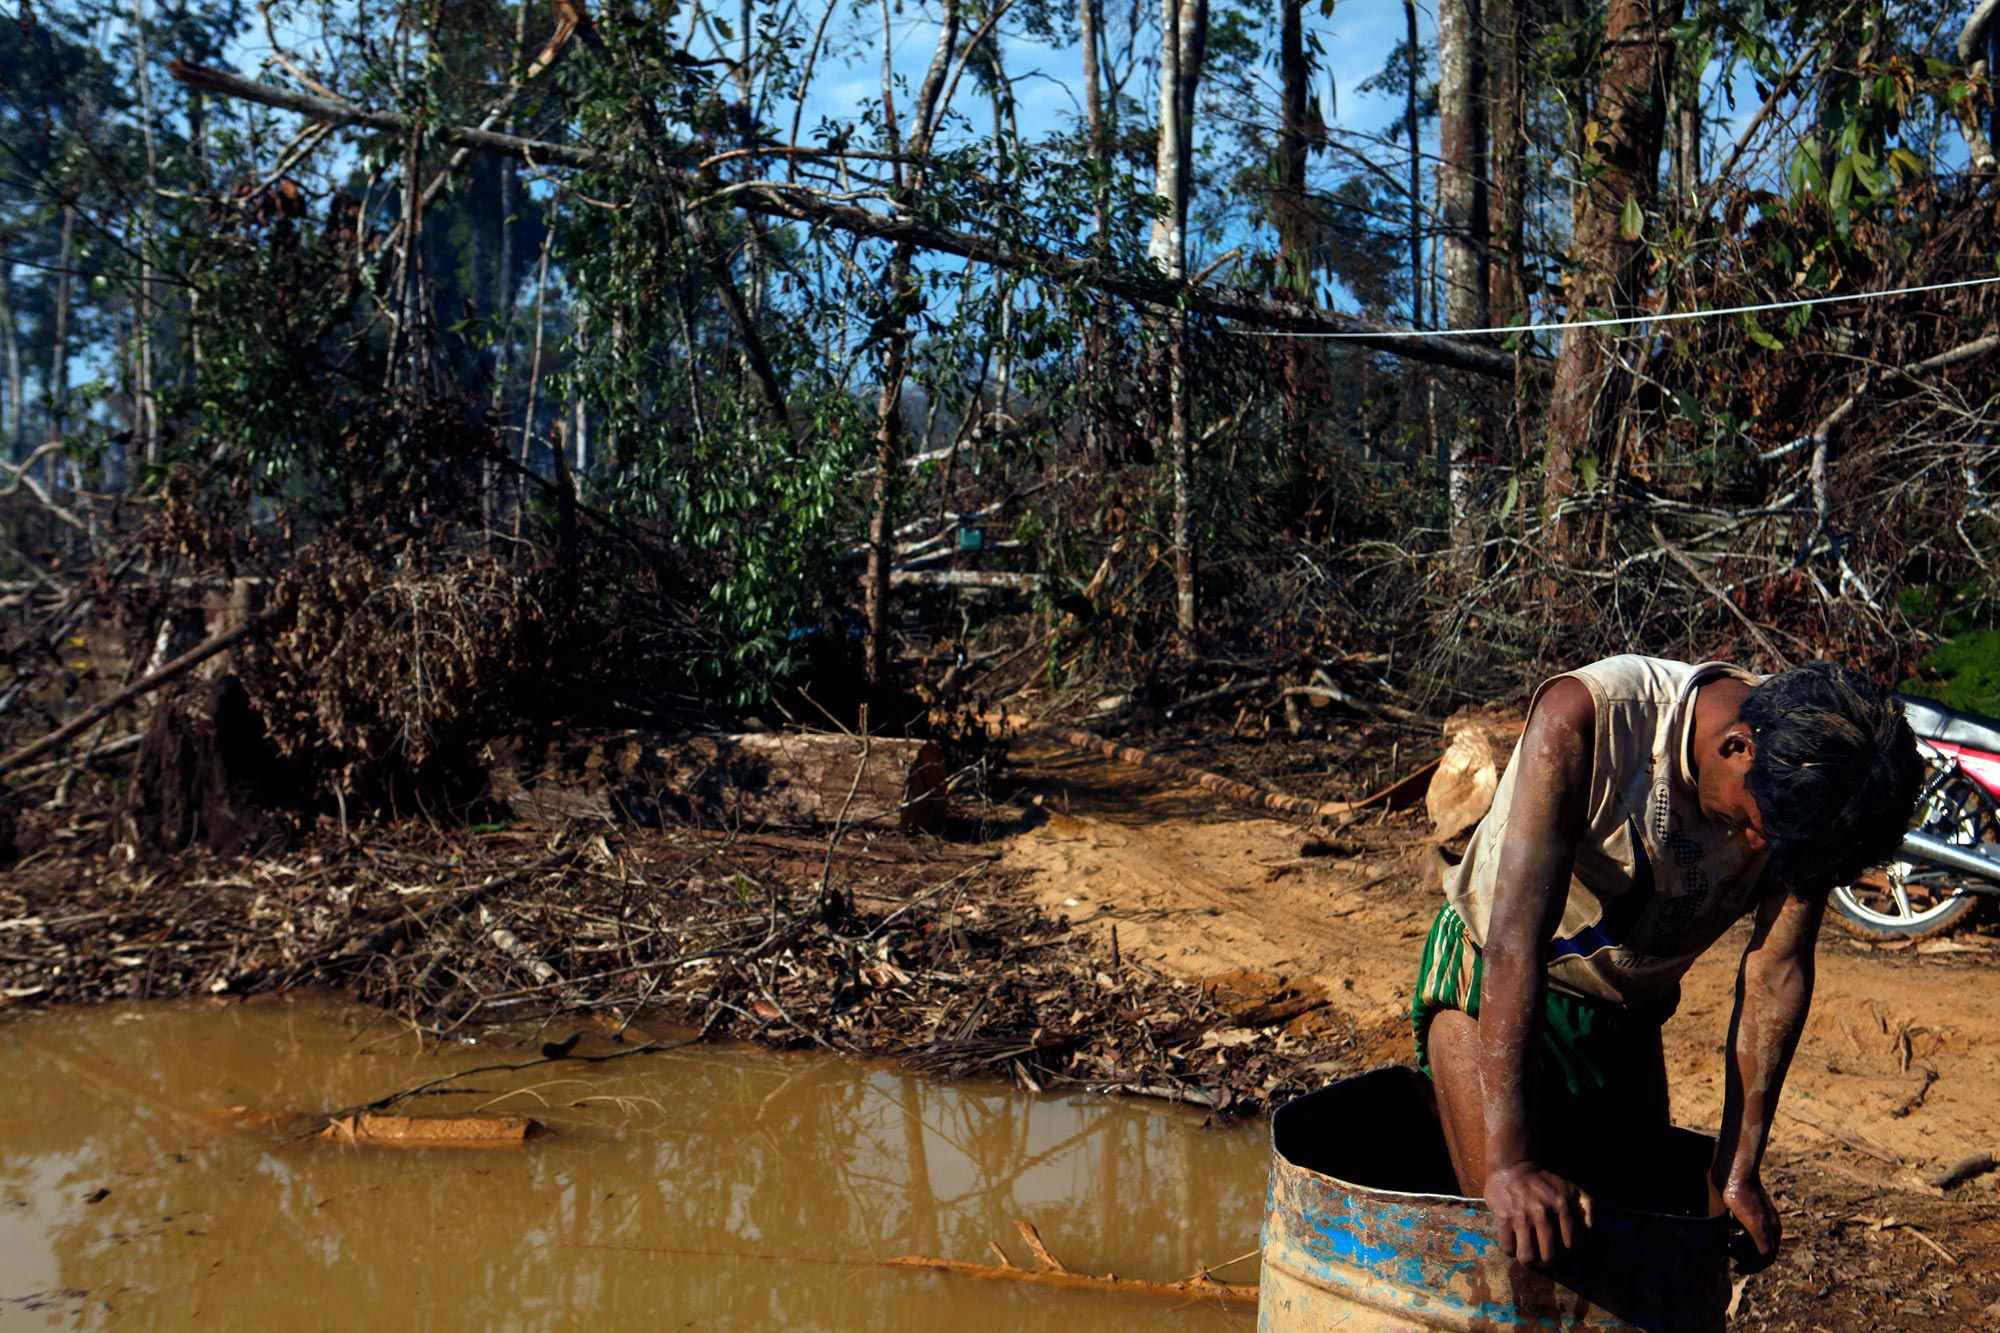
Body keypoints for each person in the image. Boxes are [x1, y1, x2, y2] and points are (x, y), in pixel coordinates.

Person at [1411, 656, 1921, 1270]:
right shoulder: (1590, 719)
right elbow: (1515, 940)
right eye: (1762, 829)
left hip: (1626, 1014)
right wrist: (1511, 1164)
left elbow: (1776, 971)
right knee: (1514, 1246)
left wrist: (1737, 1169)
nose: (1761, 850)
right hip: (1488, 985)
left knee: (1627, 1236)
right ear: (1737, 747)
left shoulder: (1818, 781)